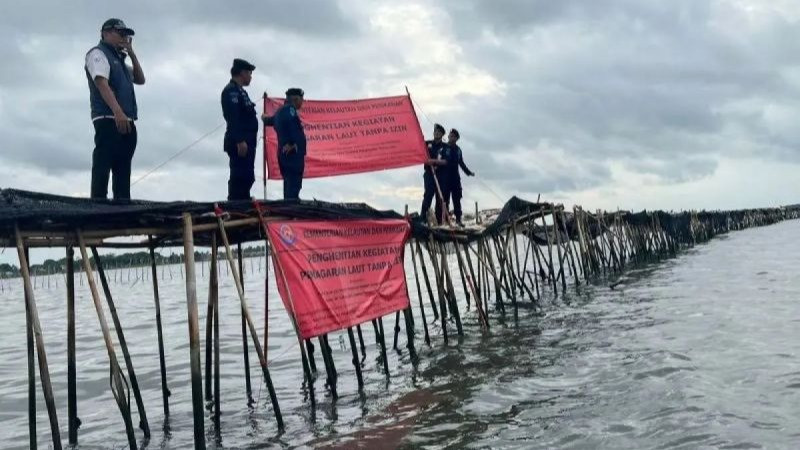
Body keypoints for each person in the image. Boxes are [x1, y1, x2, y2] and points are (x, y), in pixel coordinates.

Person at [85, 18, 145, 200]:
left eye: (126, 35)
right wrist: (118, 112)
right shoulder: (98, 54)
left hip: (126, 120)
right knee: (103, 165)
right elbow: (101, 83)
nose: (124, 38)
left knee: (123, 167)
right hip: (107, 118)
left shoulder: (119, 60)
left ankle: (122, 205)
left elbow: (140, 79)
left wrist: (132, 54)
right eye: (121, 34)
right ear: (106, 33)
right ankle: (98, 206)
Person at [221, 58, 259, 200]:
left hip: (248, 142)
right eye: (249, 73)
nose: (250, 77)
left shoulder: (241, 92)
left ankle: (243, 203)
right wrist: (240, 140)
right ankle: (236, 206)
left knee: (247, 177)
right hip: (240, 143)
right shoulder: (231, 91)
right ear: (242, 73)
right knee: (239, 177)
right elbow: (233, 118)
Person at [267, 88, 306, 200]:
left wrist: (264, 118)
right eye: (301, 100)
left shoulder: (281, 111)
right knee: (293, 186)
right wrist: (293, 143)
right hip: (292, 153)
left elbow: (269, 121)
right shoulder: (290, 110)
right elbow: (293, 128)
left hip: (285, 153)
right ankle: (292, 211)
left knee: (289, 184)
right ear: (296, 99)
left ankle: (289, 206)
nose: (302, 102)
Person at [442, 128, 474, 227]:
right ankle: (446, 220)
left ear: (456, 138)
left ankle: (458, 220)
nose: (450, 137)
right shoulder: (444, 148)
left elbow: (462, 164)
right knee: (445, 200)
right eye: (449, 136)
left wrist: (469, 172)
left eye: (452, 136)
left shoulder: (458, 150)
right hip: (445, 178)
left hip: (455, 178)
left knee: (457, 199)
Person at [420, 123, 448, 224]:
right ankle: (422, 218)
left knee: (440, 197)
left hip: (441, 175)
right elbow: (421, 156)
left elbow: (446, 161)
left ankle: (439, 221)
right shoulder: (426, 144)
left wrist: (433, 161)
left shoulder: (445, 147)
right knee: (428, 195)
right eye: (435, 132)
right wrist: (428, 161)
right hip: (429, 174)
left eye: (439, 132)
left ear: (442, 134)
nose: (436, 134)